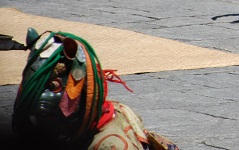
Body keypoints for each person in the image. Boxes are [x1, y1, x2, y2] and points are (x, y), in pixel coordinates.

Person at [12, 30, 179, 149]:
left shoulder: (112, 145)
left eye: (53, 87)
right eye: (32, 86)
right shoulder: (39, 126)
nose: (39, 96)